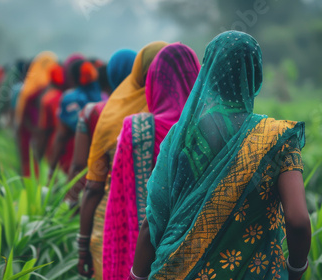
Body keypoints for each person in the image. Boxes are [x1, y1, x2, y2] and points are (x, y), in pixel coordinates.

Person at [130, 31, 311, 280]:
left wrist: (136, 276)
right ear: (256, 75)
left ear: (208, 74)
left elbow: (154, 219)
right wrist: (296, 271)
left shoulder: (180, 137)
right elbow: (299, 220)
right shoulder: (277, 138)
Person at [103, 43, 201, 280]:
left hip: (141, 256)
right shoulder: (213, 130)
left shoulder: (134, 129)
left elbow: (120, 204)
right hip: (201, 254)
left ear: (154, 82)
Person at [77, 41, 168, 280]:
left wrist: (82, 244)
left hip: (114, 224)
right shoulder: (188, 116)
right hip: (174, 229)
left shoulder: (109, 115)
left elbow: (93, 185)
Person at [64, 49, 137, 208]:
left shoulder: (94, 112)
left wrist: (70, 200)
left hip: (103, 205)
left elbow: (79, 165)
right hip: (143, 209)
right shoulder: (152, 111)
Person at [49, 60, 102, 175]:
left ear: (72, 77)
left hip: (74, 159)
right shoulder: (104, 97)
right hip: (101, 162)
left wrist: (51, 168)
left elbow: (61, 135)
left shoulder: (69, 99)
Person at [15, 52, 58, 177]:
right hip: (49, 138)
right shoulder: (54, 90)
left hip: (30, 137)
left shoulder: (28, 90)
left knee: (32, 173)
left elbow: (22, 119)